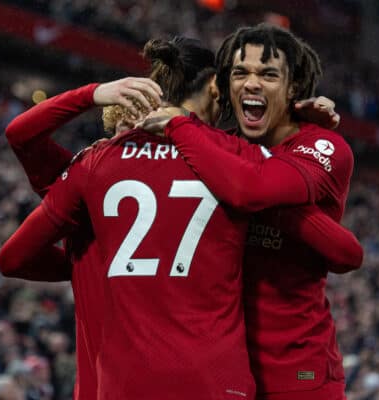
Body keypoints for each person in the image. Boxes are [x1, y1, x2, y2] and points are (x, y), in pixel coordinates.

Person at [0, 36, 260, 400]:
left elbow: (13, 255)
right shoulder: (233, 163)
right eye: (124, 129)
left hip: (118, 383)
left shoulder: (94, 168)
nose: (135, 134)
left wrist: (91, 95)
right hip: (213, 377)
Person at [141, 24, 359, 399]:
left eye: (269, 74)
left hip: (299, 373)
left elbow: (253, 189)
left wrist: (181, 125)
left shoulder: (324, 144)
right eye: (240, 73)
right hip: (223, 373)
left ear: (293, 88)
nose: (252, 83)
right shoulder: (222, 147)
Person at [2, 75, 163, 400]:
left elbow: (14, 258)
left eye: (142, 133)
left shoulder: (90, 176)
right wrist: (93, 94)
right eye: (123, 129)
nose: (130, 143)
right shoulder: (85, 176)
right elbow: (19, 134)